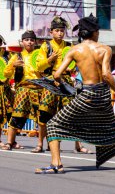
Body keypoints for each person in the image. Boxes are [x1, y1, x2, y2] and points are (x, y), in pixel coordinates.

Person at [35, 14, 115, 174]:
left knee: (53, 125)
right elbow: (106, 75)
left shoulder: (74, 50)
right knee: (112, 128)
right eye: (97, 31)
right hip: (103, 94)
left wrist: (63, 86)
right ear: (94, 32)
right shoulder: (105, 49)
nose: (98, 33)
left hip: (87, 95)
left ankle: (56, 164)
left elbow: (57, 75)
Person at [36, 17, 91, 154]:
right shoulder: (45, 46)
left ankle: (78, 146)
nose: (60, 33)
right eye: (57, 30)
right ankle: (39, 144)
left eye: (62, 30)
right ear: (51, 32)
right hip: (50, 81)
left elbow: (75, 65)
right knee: (44, 114)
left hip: (65, 81)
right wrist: (50, 60)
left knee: (72, 114)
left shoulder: (69, 46)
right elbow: (39, 67)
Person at [2, 31, 42, 150]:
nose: (29, 42)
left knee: (42, 118)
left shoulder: (40, 55)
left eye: (32, 39)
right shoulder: (16, 56)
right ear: (22, 42)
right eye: (27, 39)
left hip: (38, 88)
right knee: (16, 115)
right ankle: (10, 142)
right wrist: (13, 65)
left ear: (35, 42)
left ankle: (40, 145)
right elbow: (5, 74)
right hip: (22, 89)